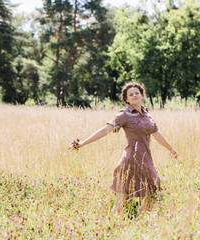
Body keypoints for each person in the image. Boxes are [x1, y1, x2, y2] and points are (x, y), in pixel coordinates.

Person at [68, 82, 178, 213]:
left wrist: (171, 149)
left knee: (149, 192)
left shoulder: (147, 114)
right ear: (126, 99)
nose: (135, 95)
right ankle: (114, 224)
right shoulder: (124, 115)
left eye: (137, 93)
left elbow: (157, 134)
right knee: (122, 197)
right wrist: (82, 143)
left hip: (146, 160)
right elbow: (105, 131)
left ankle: (142, 224)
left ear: (142, 95)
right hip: (130, 161)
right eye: (131, 94)